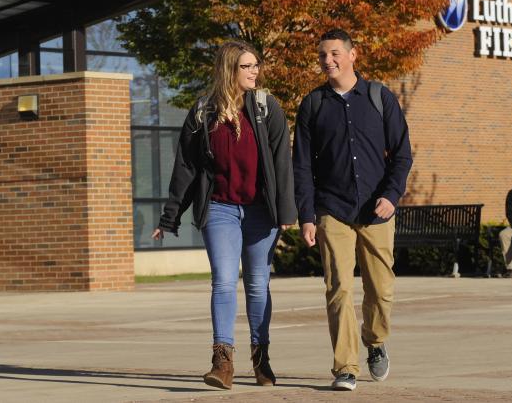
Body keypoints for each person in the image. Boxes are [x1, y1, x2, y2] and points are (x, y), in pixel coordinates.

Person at [152, 41, 297, 390]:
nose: (255, 71)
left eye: (256, 65)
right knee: (223, 279)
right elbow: (185, 167)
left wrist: (287, 211)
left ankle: (261, 359)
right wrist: (170, 216)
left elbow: (281, 162)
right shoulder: (204, 112)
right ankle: (223, 362)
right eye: (247, 66)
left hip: (260, 211)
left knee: (258, 285)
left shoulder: (266, 107)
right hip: (219, 208)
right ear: (229, 70)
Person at [292, 29, 413, 392]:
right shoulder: (313, 105)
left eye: (334, 54)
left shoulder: (379, 97)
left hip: (377, 212)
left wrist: (391, 196)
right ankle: (345, 366)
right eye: (322, 56)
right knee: (339, 288)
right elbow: (301, 166)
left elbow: (402, 155)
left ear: (352, 54)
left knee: (381, 290)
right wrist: (308, 215)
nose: (327, 61)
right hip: (333, 210)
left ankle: (375, 341)